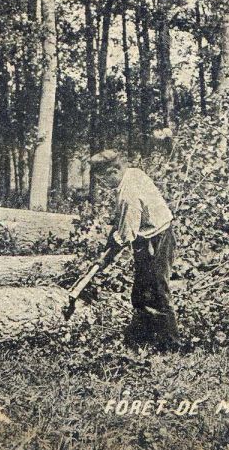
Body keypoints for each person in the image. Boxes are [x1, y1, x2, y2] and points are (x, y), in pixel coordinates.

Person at [88, 149, 182, 350]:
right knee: (140, 292)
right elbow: (119, 223)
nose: (104, 185)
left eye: (104, 179)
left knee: (158, 290)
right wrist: (105, 251)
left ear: (114, 170)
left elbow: (124, 235)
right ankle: (142, 339)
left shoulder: (128, 193)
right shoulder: (133, 173)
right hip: (145, 236)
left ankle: (172, 344)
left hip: (159, 237)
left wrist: (105, 260)